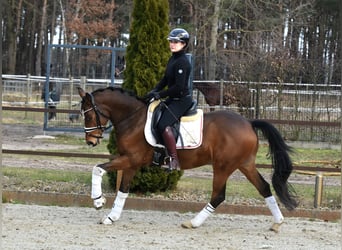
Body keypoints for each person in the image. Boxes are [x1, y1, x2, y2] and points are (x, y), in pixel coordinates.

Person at [145, 28, 193, 170]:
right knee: (154, 118)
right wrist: (154, 90)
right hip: (172, 99)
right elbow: (166, 79)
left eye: (176, 42)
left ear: (183, 44)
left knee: (163, 125)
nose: (172, 44)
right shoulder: (173, 59)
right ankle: (159, 153)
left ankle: (174, 160)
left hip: (182, 100)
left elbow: (178, 87)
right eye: (171, 41)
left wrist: (160, 95)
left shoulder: (182, 62)